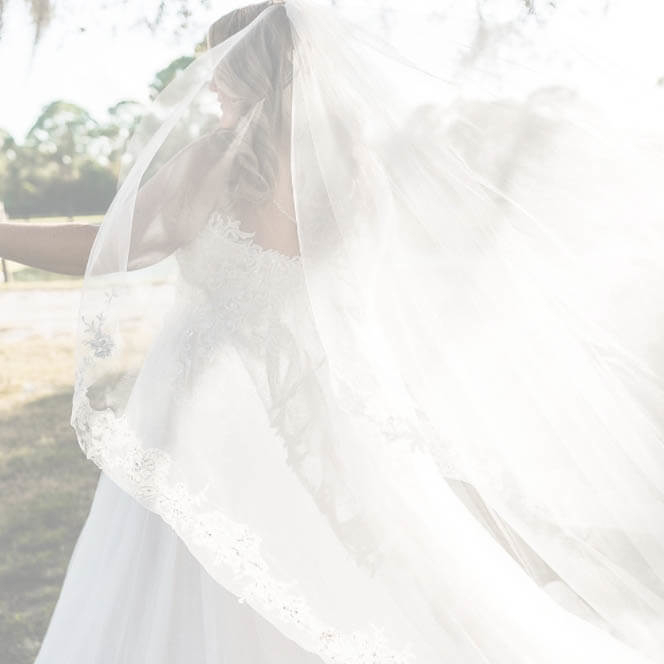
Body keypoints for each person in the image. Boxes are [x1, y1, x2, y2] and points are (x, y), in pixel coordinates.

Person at [3, 1, 664, 662]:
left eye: (221, 67)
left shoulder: (220, 158)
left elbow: (118, 245)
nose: (208, 84)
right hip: (314, 404)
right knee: (321, 567)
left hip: (208, 408)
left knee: (192, 572)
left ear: (256, 70)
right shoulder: (353, 163)